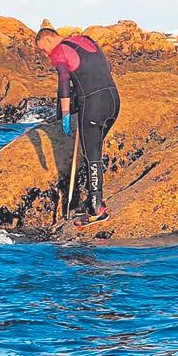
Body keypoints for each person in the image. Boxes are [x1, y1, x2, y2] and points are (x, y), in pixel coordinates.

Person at [35, 28, 121, 228]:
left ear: (48, 39)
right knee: (94, 150)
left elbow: (64, 83)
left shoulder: (59, 50)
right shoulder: (86, 40)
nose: (46, 55)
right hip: (113, 102)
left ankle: (96, 209)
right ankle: (93, 198)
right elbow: (107, 67)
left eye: (43, 49)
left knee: (92, 154)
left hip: (93, 105)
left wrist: (65, 115)